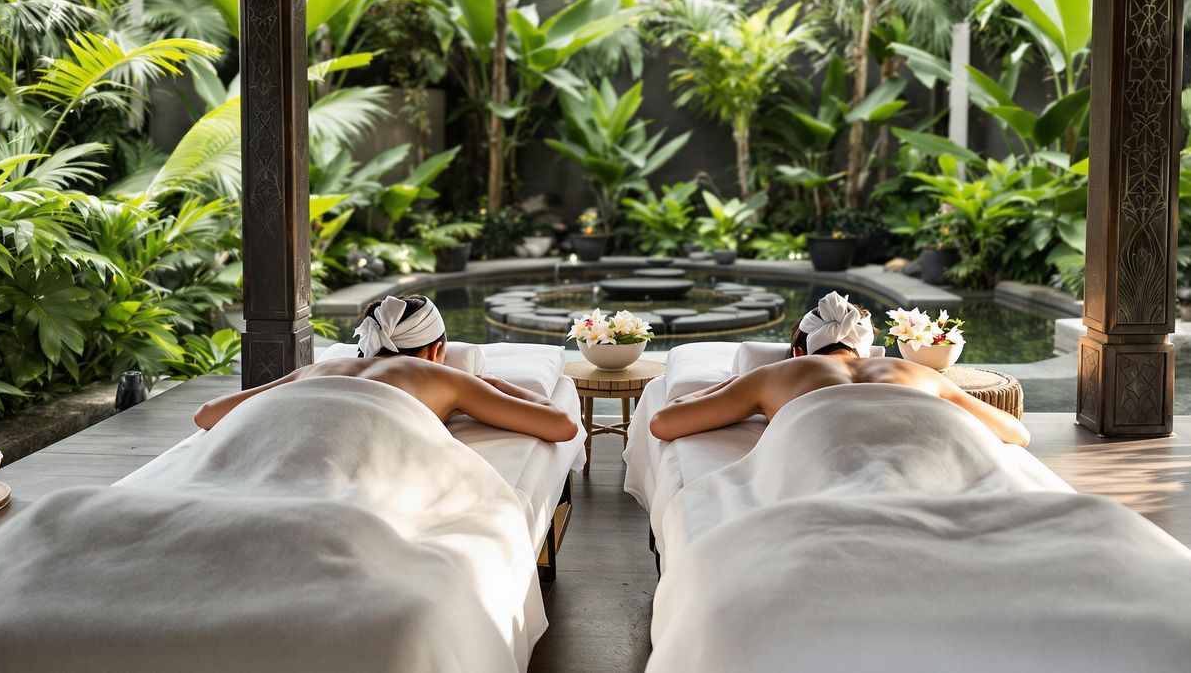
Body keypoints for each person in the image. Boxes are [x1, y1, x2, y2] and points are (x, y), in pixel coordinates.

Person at [649, 291, 1030, 447]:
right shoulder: (920, 374)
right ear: (867, 350)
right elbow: (1017, 434)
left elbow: (664, 424)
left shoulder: (770, 377)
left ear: (798, 350)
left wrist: (726, 386)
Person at [195, 294, 578, 442]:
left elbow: (207, 414)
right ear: (437, 350)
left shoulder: (319, 370)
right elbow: (561, 426)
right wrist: (493, 384)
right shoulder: (447, 379)